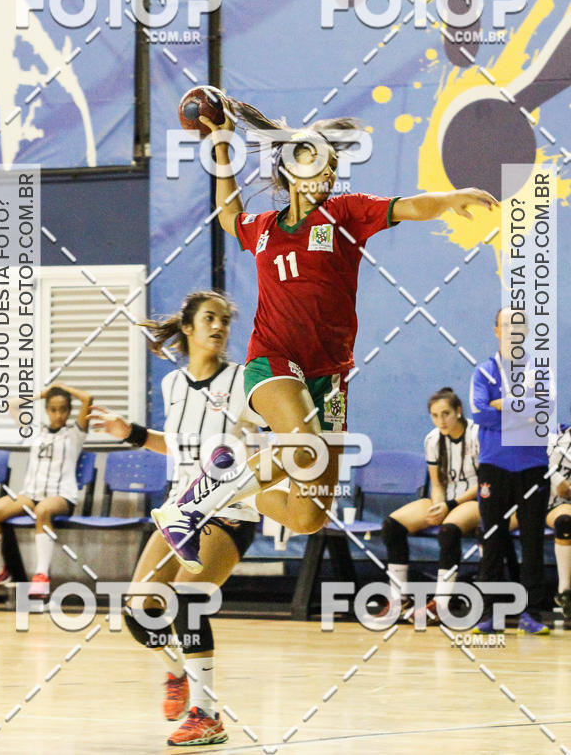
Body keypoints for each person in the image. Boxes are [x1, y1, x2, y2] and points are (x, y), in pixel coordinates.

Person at [152, 95, 497, 573]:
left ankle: (233, 497)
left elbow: (411, 206)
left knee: (308, 515)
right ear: (290, 168)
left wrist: (449, 199)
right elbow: (230, 214)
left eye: (334, 166)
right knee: (302, 445)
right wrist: (222, 148)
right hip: (273, 362)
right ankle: (191, 504)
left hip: (329, 377)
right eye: (318, 160)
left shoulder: (346, 213)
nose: (329, 173)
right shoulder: (265, 227)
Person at [90, 291, 260, 748]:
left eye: (224, 320)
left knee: (188, 596)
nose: (219, 327)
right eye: (209, 318)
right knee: (138, 610)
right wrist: (132, 433)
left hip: (229, 510)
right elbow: (182, 445)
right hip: (179, 511)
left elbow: (266, 444)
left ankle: (207, 715)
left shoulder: (245, 381)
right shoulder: (172, 386)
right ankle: (177, 672)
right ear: (187, 327)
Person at [470, 307, 551, 634]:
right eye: (507, 324)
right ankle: (491, 613)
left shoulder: (538, 370)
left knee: (532, 542)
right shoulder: (484, 372)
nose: (513, 330)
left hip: (533, 466)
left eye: (519, 324)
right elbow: (479, 414)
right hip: (494, 466)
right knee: (493, 539)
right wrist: (524, 409)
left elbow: (543, 410)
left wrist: (502, 405)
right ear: (496, 330)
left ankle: (531, 613)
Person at [0, 382, 92, 599]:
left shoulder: (75, 433)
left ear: (69, 411)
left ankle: (41, 576)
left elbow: (87, 398)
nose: (58, 414)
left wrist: (64, 389)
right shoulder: (35, 430)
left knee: (43, 511)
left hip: (60, 496)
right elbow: (12, 404)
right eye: (53, 409)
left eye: (63, 409)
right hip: (30, 494)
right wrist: (43, 394)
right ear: (47, 410)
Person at [381, 387, 479, 621]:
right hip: (446, 499)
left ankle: (441, 603)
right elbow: (437, 483)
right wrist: (438, 505)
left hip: (474, 500)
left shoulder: (477, 434)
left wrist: (450, 505)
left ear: (458, 411)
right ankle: (399, 598)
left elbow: (486, 480)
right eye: (435, 416)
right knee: (391, 525)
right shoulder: (433, 439)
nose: (440, 421)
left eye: (445, 414)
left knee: (448, 531)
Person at [546, 423, 571, 620]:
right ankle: (491, 594)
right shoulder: (553, 436)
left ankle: (565, 592)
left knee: (565, 521)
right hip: (537, 502)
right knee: (488, 527)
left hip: (563, 503)